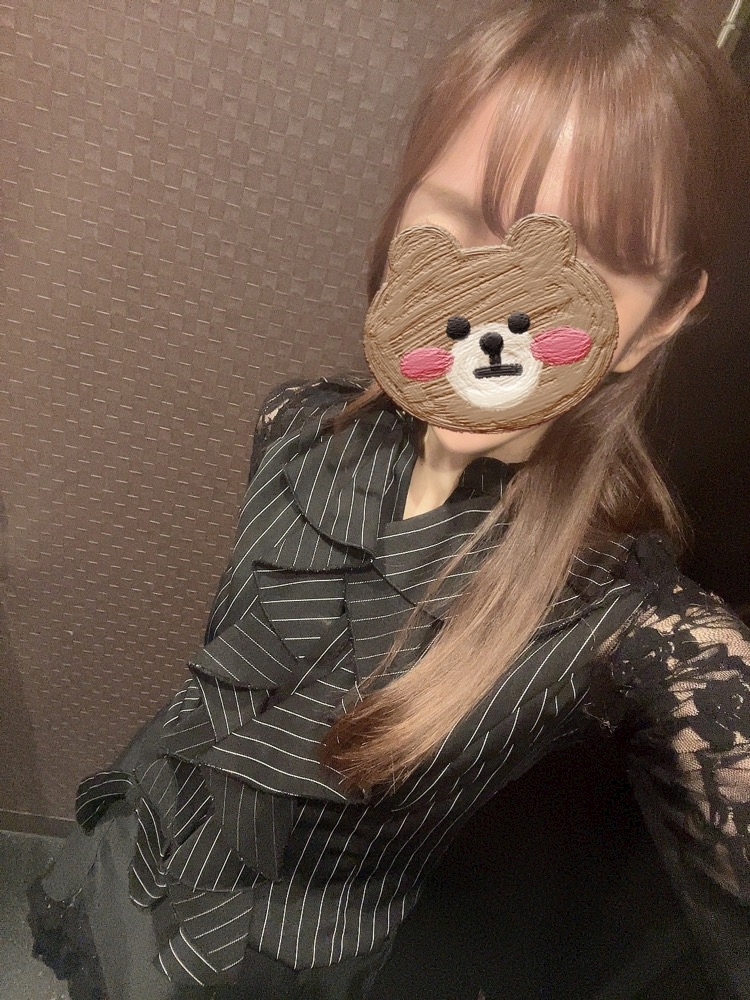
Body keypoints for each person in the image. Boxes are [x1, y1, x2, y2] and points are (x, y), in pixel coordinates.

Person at [28, 1, 750, 999]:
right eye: (463, 218)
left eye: (580, 263)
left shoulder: (654, 635)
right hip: (130, 850)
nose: (498, 304)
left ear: (661, 314)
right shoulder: (297, 423)